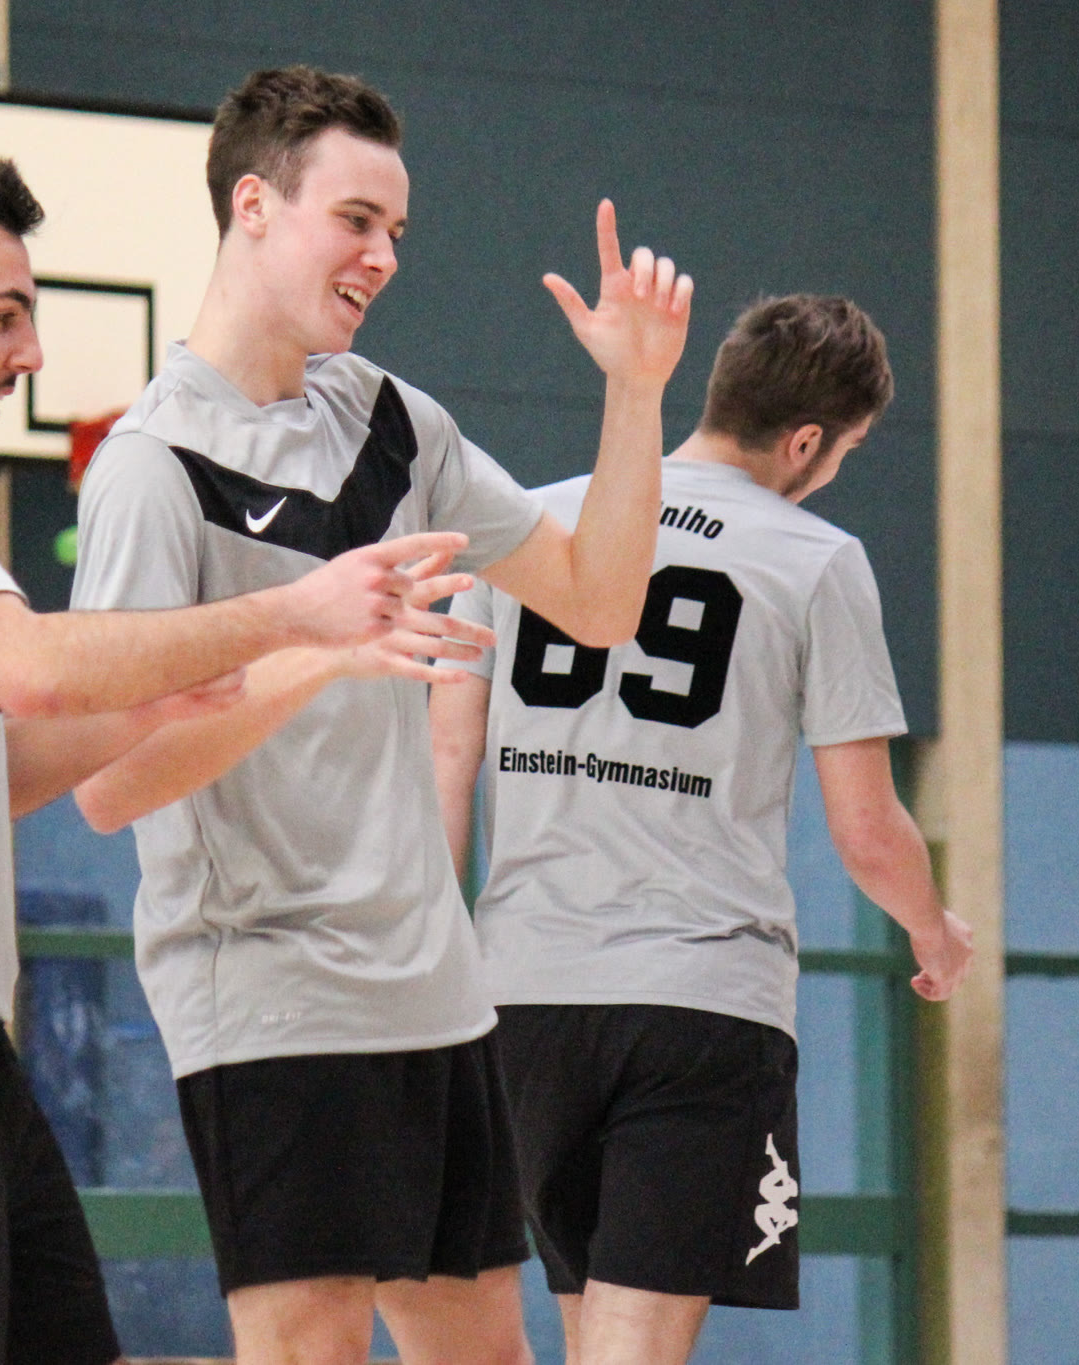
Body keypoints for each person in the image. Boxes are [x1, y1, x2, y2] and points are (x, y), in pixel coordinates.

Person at [0, 153, 473, 1365]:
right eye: (4, 315)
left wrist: (181, 694)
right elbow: (32, 667)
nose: (32, 354)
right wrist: (288, 612)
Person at [65, 67, 693, 1365]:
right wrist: (315, 650)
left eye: (395, 230)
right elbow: (110, 783)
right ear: (253, 205)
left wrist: (636, 395)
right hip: (269, 987)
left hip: (434, 993)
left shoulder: (398, 424)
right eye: (356, 220)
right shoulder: (151, 467)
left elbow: (599, 600)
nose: (384, 256)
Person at [430, 294, 976, 1365]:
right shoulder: (815, 558)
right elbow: (867, 829)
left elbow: (443, 766)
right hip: (699, 1004)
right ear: (806, 441)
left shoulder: (526, 524)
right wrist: (932, 930)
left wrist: (435, 970)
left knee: (592, 1336)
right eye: (847, 450)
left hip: (521, 999)